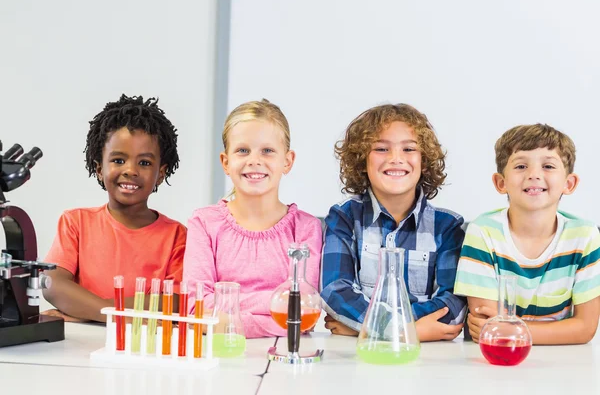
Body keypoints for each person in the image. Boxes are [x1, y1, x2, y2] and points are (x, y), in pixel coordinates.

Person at [321, 103, 466, 341]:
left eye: (409, 149)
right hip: (359, 361)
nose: (396, 159)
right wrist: (411, 331)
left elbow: (453, 305)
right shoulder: (344, 218)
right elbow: (336, 293)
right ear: (361, 161)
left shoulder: (447, 226)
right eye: (381, 149)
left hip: (429, 364)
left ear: (424, 160)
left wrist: (370, 328)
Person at [182, 99, 322, 338]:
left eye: (267, 151)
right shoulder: (204, 223)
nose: (254, 160)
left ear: (287, 161)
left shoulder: (307, 228)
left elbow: (303, 311)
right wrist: (276, 308)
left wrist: (226, 315)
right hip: (219, 357)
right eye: (243, 150)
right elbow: (195, 309)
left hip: (282, 361)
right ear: (226, 162)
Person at [43, 94, 186, 322]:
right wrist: (114, 313)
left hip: (142, 347)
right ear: (99, 168)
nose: (130, 170)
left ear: (161, 173)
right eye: (118, 160)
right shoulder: (75, 222)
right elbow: (52, 285)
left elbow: (172, 303)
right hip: (79, 348)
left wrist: (87, 313)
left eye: (145, 163)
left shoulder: (177, 236)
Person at [455, 123, 600, 344]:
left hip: (564, 364)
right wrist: (556, 331)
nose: (534, 175)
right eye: (521, 166)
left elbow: (585, 328)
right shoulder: (483, 232)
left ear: (569, 184)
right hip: (495, 364)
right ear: (500, 182)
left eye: (548, 166)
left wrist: (510, 330)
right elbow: (486, 325)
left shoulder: (584, 236)